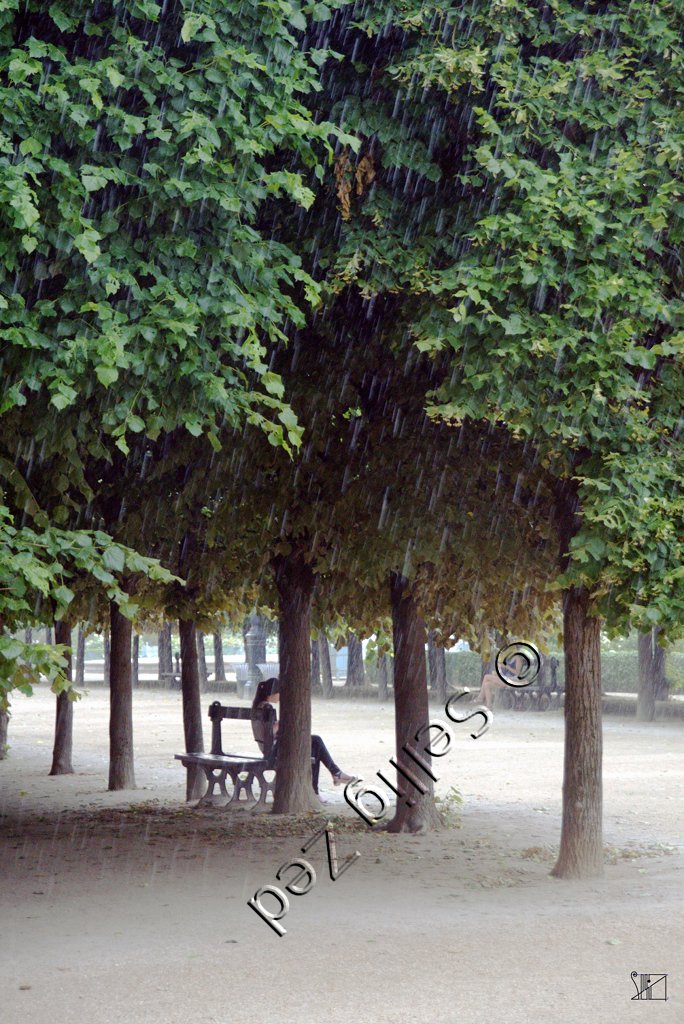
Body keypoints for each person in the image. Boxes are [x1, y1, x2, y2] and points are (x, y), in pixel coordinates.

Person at [251, 678, 354, 797]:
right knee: (315, 745)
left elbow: (265, 732)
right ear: (273, 693)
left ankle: (332, 776)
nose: (280, 697)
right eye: (280, 693)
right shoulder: (267, 708)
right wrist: (281, 723)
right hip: (273, 751)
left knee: (315, 744)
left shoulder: (257, 706)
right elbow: (270, 733)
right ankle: (329, 779)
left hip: (267, 748)